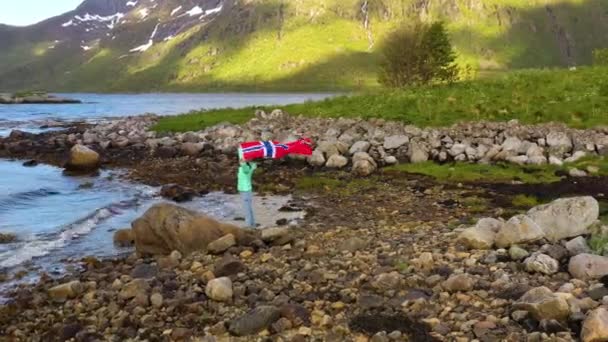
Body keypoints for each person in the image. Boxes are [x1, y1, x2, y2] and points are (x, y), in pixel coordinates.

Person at [238, 148, 257, 228]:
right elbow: (242, 158)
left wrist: (243, 163)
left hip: (245, 190)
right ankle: (253, 225)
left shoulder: (246, 167)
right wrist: (240, 149)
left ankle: (249, 227)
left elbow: (243, 164)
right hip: (246, 190)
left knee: (247, 210)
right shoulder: (251, 165)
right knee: (249, 209)